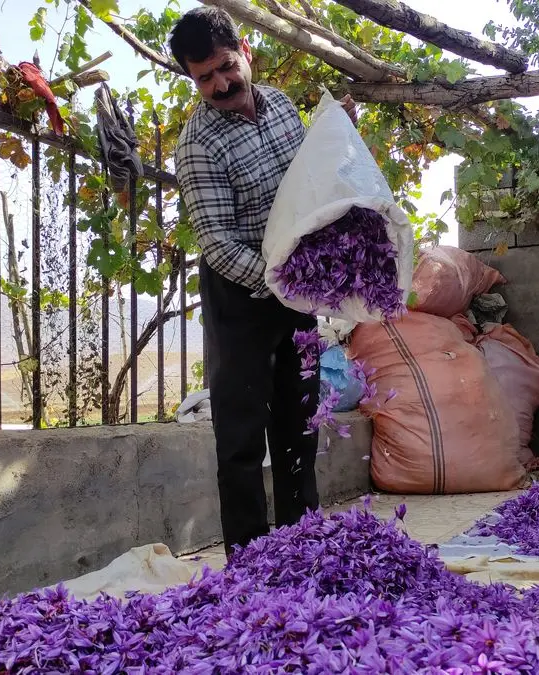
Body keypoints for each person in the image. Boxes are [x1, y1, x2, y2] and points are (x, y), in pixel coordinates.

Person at [169, 7, 357, 557]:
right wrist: (282, 279)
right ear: (192, 78)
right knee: (242, 436)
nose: (220, 84)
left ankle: (302, 548)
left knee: (300, 419)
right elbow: (219, 245)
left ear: (244, 51)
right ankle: (250, 564)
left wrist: (335, 137)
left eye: (226, 67)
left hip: (295, 281)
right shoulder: (197, 145)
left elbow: (309, 182)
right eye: (204, 77)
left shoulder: (278, 104)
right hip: (242, 292)